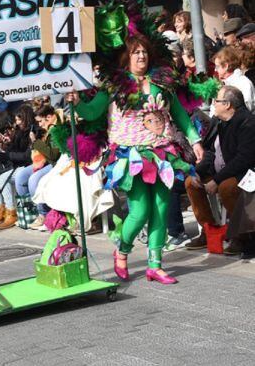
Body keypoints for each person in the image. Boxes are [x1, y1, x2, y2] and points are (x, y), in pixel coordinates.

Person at [66, 34, 204, 285]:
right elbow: (92, 111)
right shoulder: (114, 85)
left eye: (144, 52)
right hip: (131, 157)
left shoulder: (161, 82)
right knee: (140, 211)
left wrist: (195, 141)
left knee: (161, 210)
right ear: (126, 57)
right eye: (135, 52)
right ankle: (122, 250)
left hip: (163, 153)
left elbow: (180, 115)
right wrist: (77, 103)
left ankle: (155, 265)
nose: (141, 56)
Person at [184, 86, 255, 253]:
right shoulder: (217, 122)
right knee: (191, 183)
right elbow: (209, 151)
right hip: (222, 172)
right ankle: (209, 230)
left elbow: (243, 159)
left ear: (228, 104)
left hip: (245, 174)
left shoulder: (247, 122)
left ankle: (242, 236)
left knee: (226, 187)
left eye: (216, 101)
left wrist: (216, 180)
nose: (213, 104)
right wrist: (197, 172)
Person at [14, 105, 61, 230]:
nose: (39, 124)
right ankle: (31, 211)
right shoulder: (45, 128)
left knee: (34, 180)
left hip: (55, 162)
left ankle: (44, 214)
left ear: (49, 117)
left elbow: (53, 155)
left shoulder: (57, 128)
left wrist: (35, 141)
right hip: (43, 160)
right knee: (20, 177)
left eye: (40, 121)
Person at [0, 105, 34, 230]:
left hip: (26, 165)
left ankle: (11, 212)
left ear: (27, 119)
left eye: (19, 120)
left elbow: (26, 156)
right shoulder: (18, 131)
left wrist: (6, 154)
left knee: (3, 178)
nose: (17, 123)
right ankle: (0, 209)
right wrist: (7, 144)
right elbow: (13, 151)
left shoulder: (31, 132)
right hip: (15, 164)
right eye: (16, 120)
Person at [214, 46, 255, 112]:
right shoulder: (222, 83)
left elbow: (247, 109)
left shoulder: (244, 83)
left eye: (217, 66)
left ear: (226, 66)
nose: (215, 70)